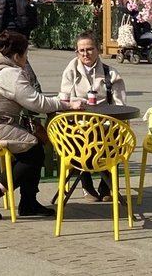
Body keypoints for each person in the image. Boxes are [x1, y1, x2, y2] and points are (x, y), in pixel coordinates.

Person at [0, 31, 81, 219]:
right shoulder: (7, 73)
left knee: (31, 148)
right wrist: (66, 105)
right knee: (33, 151)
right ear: (17, 56)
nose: (26, 60)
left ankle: (28, 203)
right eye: (26, 55)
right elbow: (36, 103)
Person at [58, 32, 127, 201]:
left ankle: (106, 185)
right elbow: (63, 99)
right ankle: (86, 184)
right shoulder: (70, 71)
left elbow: (120, 106)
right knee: (77, 140)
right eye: (81, 50)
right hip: (78, 125)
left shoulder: (111, 74)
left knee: (115, 137)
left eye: (89, 49)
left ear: (98, 50)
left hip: (105, 124)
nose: (85, 54)